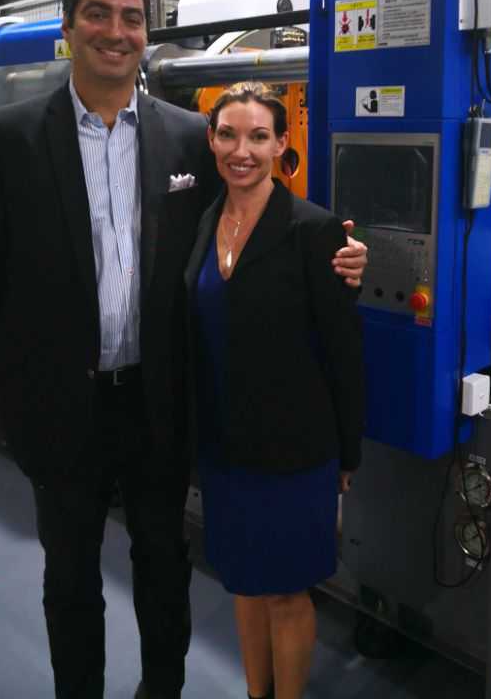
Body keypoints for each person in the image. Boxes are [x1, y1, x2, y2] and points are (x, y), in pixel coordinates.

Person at [0, 0, 368, 699]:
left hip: (157, 403)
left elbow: (245, 221)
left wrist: (335, 252)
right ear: (69, 27)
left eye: (132, 18)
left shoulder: (187, 139)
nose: (116, 31)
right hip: (63, 405)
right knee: (70, 576)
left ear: (146, 33)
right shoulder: (5, 137)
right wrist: (31, 359)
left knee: (164, 567)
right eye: (98, 14)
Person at [184, 82, 365, 699]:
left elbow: (343, 350)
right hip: (225, 446)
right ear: (212, 141)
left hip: (295, 451)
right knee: (244, 582)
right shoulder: (204, 221)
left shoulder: (313, 231)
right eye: (229, 135)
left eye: (259, 136)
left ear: (282, 144)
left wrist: (347, 451)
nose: (242, 151)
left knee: (287, 592)